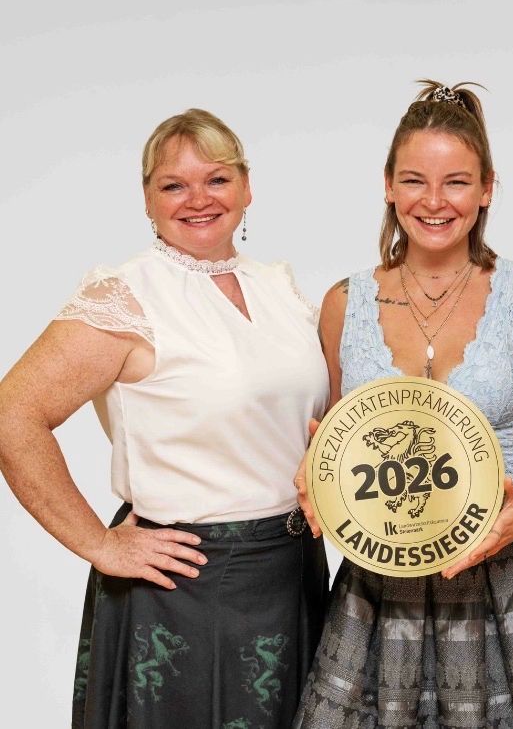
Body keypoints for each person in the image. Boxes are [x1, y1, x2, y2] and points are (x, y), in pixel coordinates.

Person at [0, 108, 329, 727]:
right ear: (147, 199)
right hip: (184, 584)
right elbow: (12, 413)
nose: (198, 199)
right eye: (173, 184)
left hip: (291, 572)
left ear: (247, 187)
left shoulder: (278, 286)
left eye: (217, 179)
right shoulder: (127, 296)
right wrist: (97, 543)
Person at [293, 81, 513, 727]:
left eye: (457, 182)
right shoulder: (344, 302)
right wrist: (314, 475)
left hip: (498, 579)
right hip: (378, 584)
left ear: (488, 187)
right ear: (387, 184)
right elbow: (335, 437)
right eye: (415, 180)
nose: (435, 202)